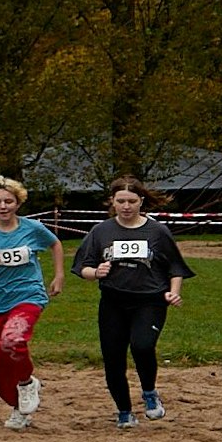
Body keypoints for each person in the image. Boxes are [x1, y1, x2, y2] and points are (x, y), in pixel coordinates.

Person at [73, 176, 193, 428]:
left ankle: (149, 392)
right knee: (113, 358)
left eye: (131, 201)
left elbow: (175, 267)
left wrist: (173, 292)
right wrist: (95, 273)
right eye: (121, 201)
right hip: (113, 301)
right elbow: (83, 266)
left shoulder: (157, 231)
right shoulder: (101, 231)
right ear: (112, 202)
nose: (126, 206)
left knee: (142, 346)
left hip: (149, 301)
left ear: (141, 201)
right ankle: (124, 411)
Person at [0, 177, 64, 430]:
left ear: (18, 202)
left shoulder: (32, 228)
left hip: (28, 295)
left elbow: (54, 243)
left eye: (8, 201)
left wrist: (59, 275)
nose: (3, 206)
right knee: (1, 364)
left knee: (13, 340)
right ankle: (18, 407)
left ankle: (27, 382)